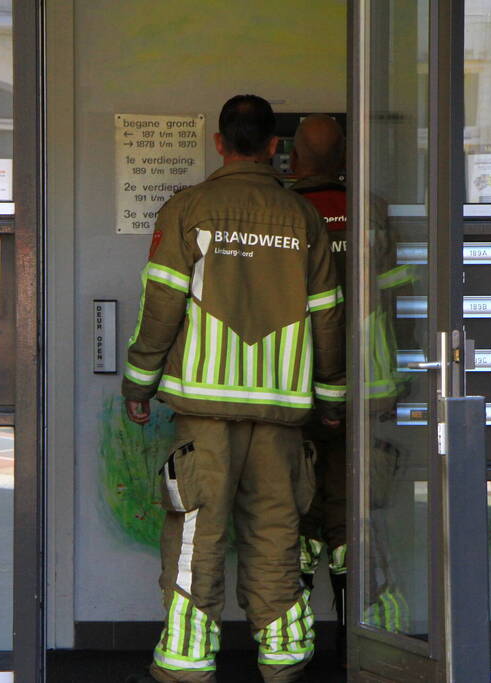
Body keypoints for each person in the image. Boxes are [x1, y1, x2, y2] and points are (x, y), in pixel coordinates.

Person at [122, 95, 346, 683]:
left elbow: (161, 304)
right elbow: (329, 315)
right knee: (277, 532)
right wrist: (331, 398)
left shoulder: (187, 208)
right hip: (281, 415)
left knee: (197, 532)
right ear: (275, 147)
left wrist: (138, 383)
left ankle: (187, 664)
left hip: (204, 414)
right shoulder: (304, 219)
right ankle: (285, 663)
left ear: (220, 143)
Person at [287, 114, 350, 664]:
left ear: (292, 158)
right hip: (364, 394)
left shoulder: (288, 215)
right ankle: (368, 639)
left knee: (299, 508)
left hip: (296, 390)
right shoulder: (372, 212)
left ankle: (297, 642)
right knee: (355, 511)